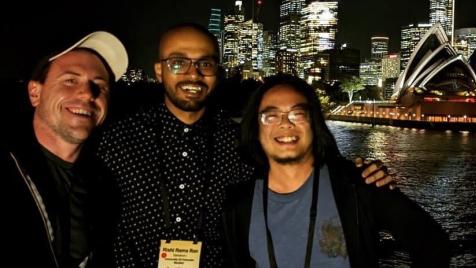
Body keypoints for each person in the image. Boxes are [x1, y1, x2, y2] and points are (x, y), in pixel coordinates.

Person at [97, 22, 393, 268]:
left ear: (218, 72)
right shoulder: (117, 140)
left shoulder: (244, 142)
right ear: (160, 71)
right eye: (178, 62)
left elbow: (304, 170)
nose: (193, 74)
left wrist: (360, 175)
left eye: (205, 64)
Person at [223, 74, 452, 267]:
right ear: (255, 127)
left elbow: (433, 243)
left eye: (298, 114)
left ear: (315, 124)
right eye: (271, 116)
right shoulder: (239, 204)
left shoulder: (359, 186)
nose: (285, 123)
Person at [1, 31, 128, 268]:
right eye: (70, 80)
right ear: (35, 93)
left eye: (99, 86)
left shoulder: (105, 187)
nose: (88, 93)